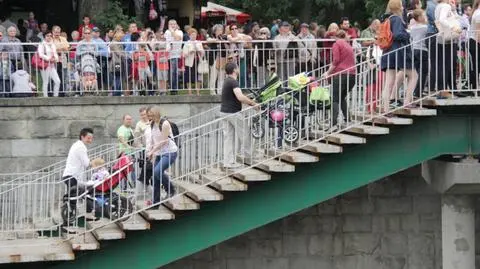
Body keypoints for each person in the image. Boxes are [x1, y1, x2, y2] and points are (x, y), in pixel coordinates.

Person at [220, 62, 258, 169]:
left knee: (228, 138)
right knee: (245, 133)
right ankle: (248, 157)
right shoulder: (233, 82)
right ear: (234, 70)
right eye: (237, 68)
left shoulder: (226, 81)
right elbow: (240, 97)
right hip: (233, 113)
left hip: (224, 112)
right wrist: (253, 103)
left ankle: (228, 162)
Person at [322, 30, 357, 130]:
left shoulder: (336, 44)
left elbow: (336, 60)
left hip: (341, 75)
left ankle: (333, 124)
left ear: (333, 37)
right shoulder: (347, 45)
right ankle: (348, 119)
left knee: (334, 99)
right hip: (352, 75)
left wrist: (327, 73)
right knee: (341, 97)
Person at [146, 106, 178, 206]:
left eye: (150, 114)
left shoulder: (164, 123)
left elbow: (164, 141)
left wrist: (153, 151)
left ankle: (171, 190)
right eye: (148, 115)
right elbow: (153, 140)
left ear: (155, 113)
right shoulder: (152, 124)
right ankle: (156, 202)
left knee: (157, 171)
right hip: (159, 153)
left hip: (169, 152)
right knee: (155, 177)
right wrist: (151, 152)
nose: (149, 116)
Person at [62, 128, 94, 195]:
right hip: (73, 176)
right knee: (73, 198)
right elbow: (87, 164)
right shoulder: (81, 147)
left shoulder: (76, 144)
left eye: (91, 138)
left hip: (69, 175)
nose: (90, 140)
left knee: (71, 198)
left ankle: (66, 205)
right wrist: (96, 162)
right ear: (82, 137)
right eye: (88, 138)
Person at [38, 30, 61, 97]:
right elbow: (40, 54)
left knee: (57, 81)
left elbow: (55, 53)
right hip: (45, 65)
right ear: (44, 37)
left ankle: (55, 96)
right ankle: (45, 97)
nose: (49, 37)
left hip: (52, 65)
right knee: (46, 81)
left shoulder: (52, 44)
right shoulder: (41, 44)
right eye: (47, 36)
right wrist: (48, 58)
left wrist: (55, 58)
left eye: (50, 36)